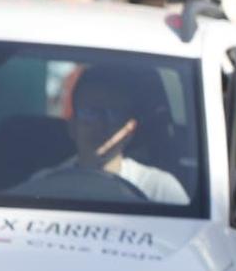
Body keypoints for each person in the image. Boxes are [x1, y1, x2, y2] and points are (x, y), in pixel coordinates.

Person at [39, 68, 189, 204]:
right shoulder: (42, 186)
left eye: (114, 115)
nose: (101, 125)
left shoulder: (160, 190)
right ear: (72, 126)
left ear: (130, 129)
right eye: (90, 113)